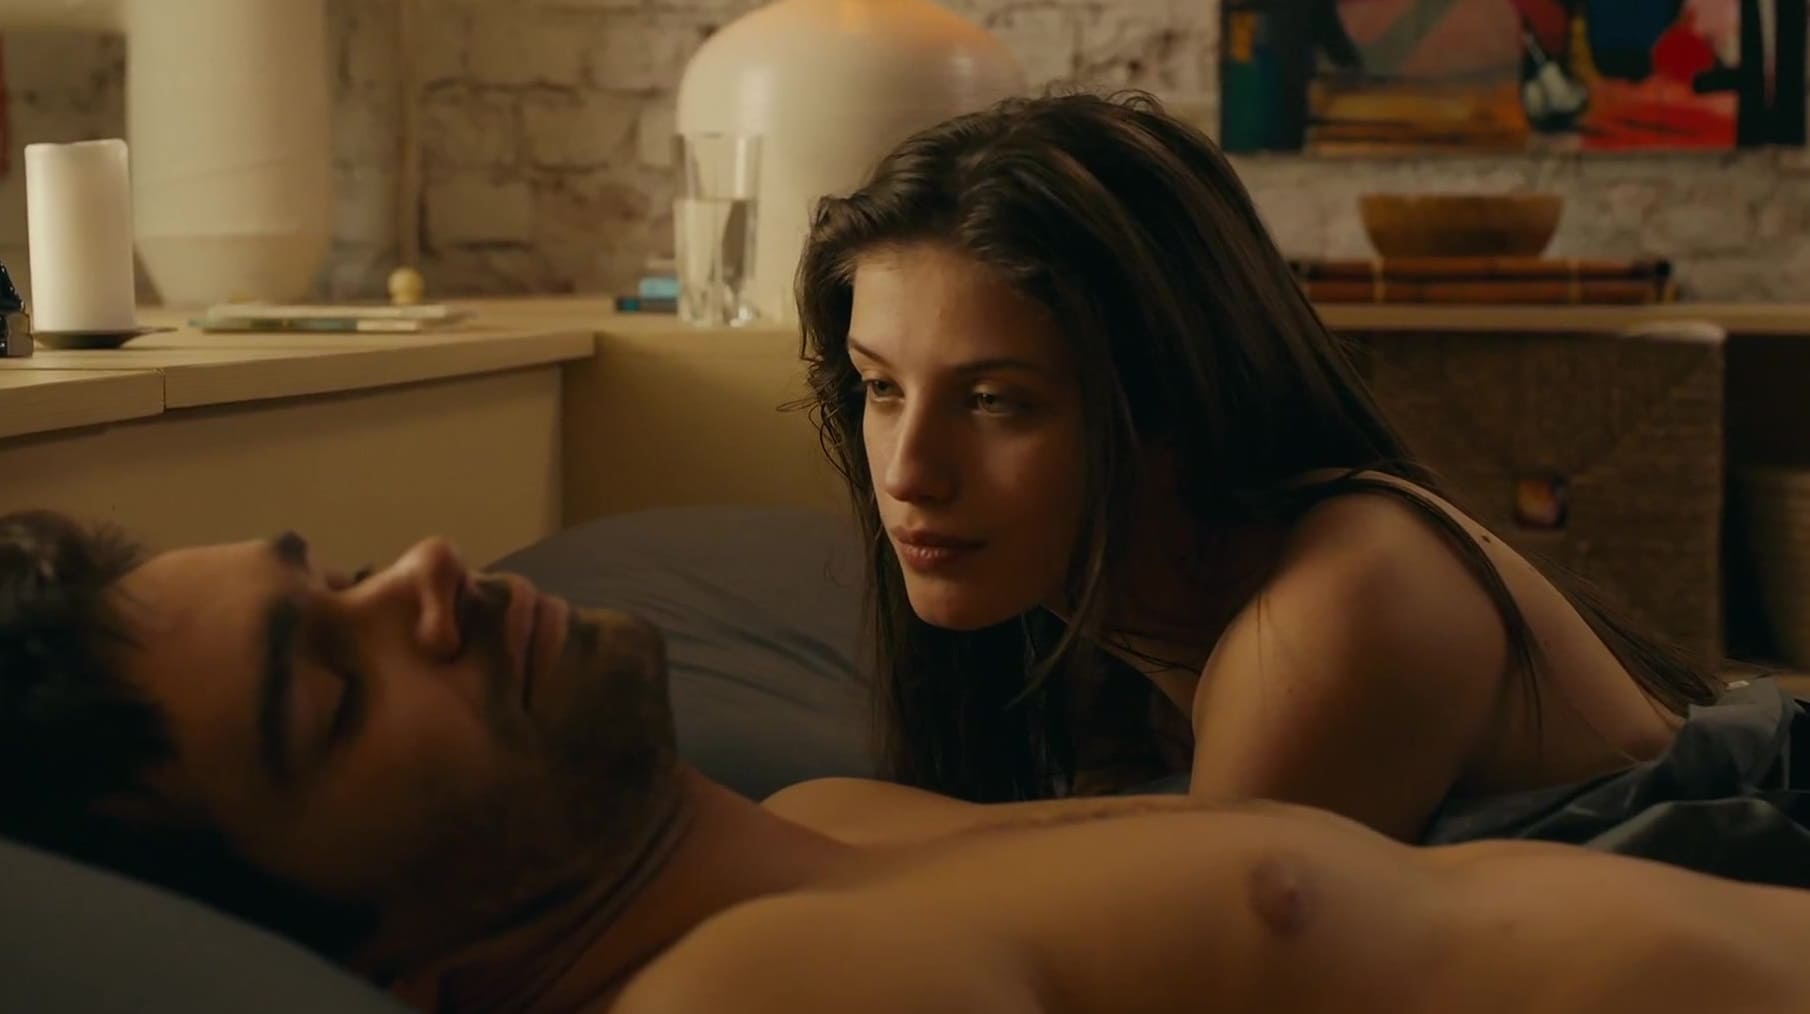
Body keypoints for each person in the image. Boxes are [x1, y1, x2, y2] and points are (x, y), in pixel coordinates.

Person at [3, 509, 1810, 1014]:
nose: (421, 578)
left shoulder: (824, 824)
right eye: (329, 691)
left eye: (330, 574)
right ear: (399, 965)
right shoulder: (744, 994)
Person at [783, 89, 1738, 844]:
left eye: (996, 400)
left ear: (1170, 400)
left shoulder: (1341, 602)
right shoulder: (1106, 628)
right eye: (882, 387)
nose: (909, 473)